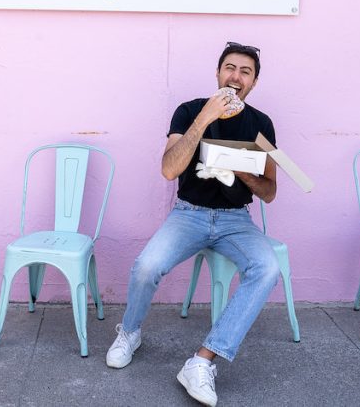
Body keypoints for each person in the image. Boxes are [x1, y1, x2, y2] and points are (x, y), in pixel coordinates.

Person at [106, 42, 281, 407]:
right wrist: (206, 117)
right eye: (230, 68)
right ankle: (130, 333)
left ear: (254, 82)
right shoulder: (188, 111)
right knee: (147, 266)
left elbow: (269, 192)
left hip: (236, 221)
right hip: (189, 213)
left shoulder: (262, 124)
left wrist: (241, 171)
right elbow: (170, 169)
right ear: (218, 73)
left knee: (266, 268)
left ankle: (202, 361)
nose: (236, 76)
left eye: (245, 72)